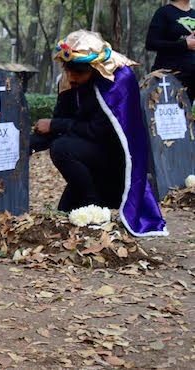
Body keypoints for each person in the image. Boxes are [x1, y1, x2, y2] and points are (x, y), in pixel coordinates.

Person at [31, 30, 168, 237]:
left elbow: (96, 130)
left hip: (113, 161)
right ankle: (87, 199)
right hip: (87, 153)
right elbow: (62, 120)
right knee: (63, 213)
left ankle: (94, 204)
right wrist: (28, 145)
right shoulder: (70, 81)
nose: (71, 78)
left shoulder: (115, 83)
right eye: (69, 71)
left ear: (94, 69)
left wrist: (53, 125)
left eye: (78, 73)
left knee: (61, 148)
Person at [146, 0, 195, 101]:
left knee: (188, 116)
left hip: (192, 80)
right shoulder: (163, 13)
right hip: (168, 79)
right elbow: (151, 43)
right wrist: (184, 44)